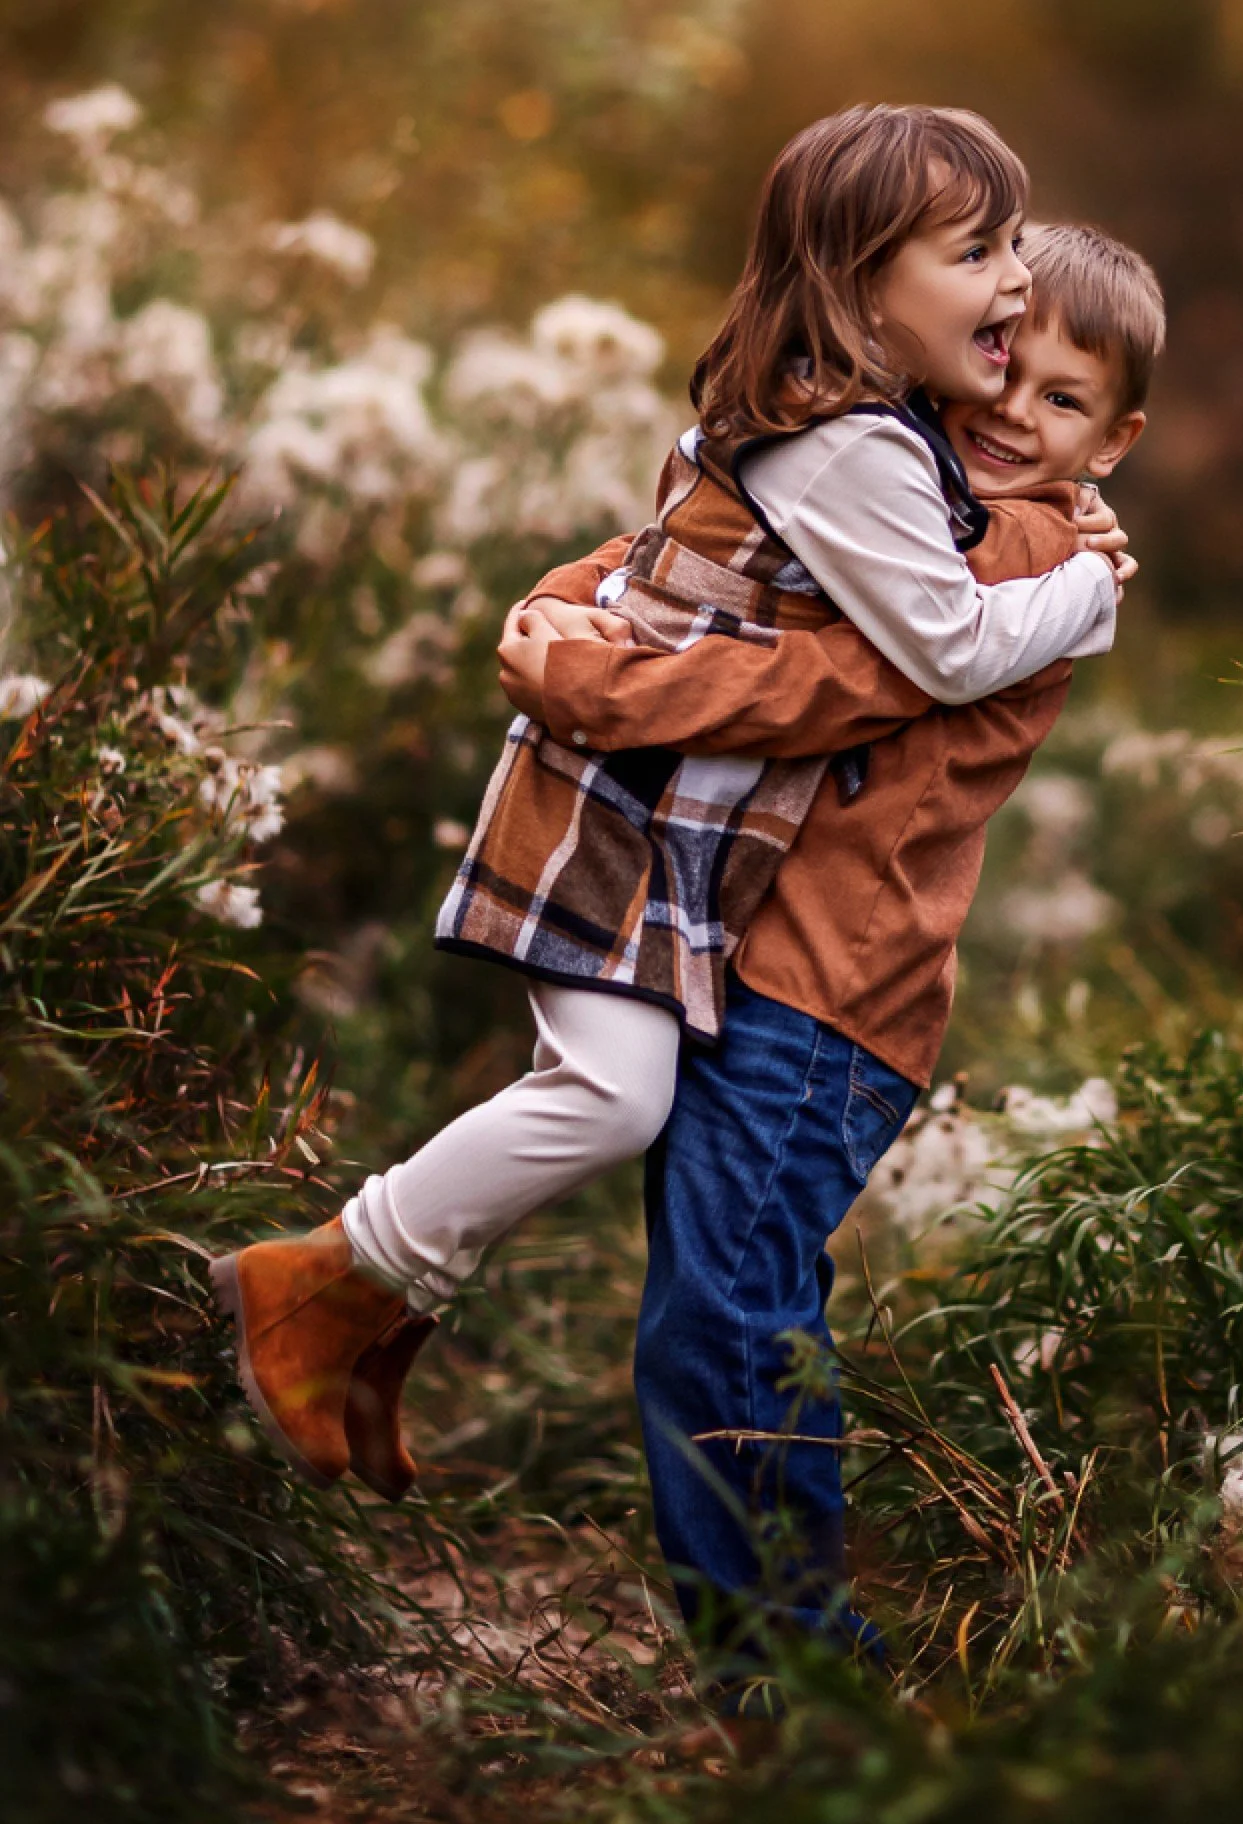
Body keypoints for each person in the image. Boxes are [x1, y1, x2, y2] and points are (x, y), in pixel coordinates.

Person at [207, 110, 1141, 1543]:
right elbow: (864, 631)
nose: (1010, 288)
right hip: (630, 818)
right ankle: (335, 1284)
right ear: (862, 283)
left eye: (1013, 250)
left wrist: (579, 641)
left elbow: (863, 657)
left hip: (684, 837)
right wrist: (570, 617)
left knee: (645, 1156)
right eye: (982, 252)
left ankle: (362, 1301)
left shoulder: (951, 485)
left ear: (1119, 434)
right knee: (618, 1111)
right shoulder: (876, 455)